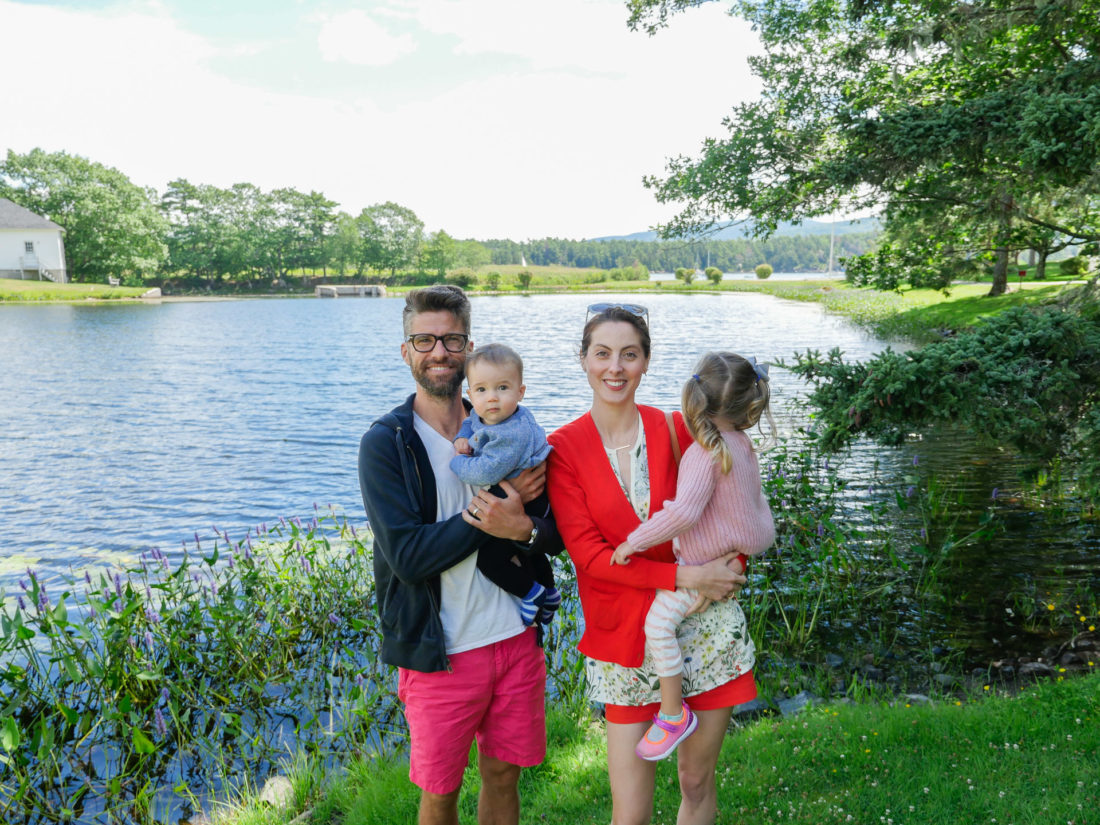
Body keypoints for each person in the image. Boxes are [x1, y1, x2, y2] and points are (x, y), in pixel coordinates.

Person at [358, 285, 562, 825]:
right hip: (441, 655)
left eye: (450, 338)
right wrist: (499, 508)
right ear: (406, 351)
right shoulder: (387, 443)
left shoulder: (509, 428)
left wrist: (524, 530)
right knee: (440, 795)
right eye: (424, 339)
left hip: (515, 641)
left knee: (502, 776)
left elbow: (552, 533)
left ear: (468, 348)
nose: (438, 351)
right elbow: (407, 557)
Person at [546, 303, 753, 825]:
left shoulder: (677, 428)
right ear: (584, 360)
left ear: (646, 362)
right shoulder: (562, 449)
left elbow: (738, 501)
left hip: (705, 626)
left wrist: (732, 564)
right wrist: (684, 575)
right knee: (630, 810)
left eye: (629, 355)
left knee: (696, 781)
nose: (615, 367)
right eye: (603, 354)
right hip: (624, 639)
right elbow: (591, 559)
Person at [610, 351, 776, 761]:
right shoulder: (742, 444)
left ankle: (671, 713)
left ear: (695, 397)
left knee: (659, 623)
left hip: (703, 562)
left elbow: (684, 513)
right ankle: (674, 710)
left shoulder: (706, 453)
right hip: (731, 551)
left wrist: (635, 541)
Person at [450, 342, 560, 627]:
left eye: (502, 388)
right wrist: (462, 436)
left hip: (533, 498)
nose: (492, 399)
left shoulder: (510, 433)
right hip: (521, 491)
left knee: (489, 559)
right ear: (470, 393)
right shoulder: (487, 414)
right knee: (525, 549)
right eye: (482, 390)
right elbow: (472, 422)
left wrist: (456, 461)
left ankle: (531, 592)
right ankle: (549, 592)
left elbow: (484, 472)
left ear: (520, 392)